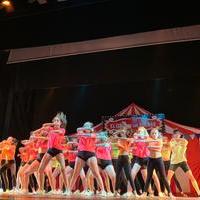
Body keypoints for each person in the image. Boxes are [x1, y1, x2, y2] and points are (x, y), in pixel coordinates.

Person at [66, 122, 106, 196]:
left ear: (91, 128)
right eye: (85, 125)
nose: (86, 127)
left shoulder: (94, 134)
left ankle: (103, 190)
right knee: (75, 173)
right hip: (81, 153)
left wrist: (88, 131)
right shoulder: (81, 132)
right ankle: (69, 190)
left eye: (88, 126)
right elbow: (78, 130)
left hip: (90, 154)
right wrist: (83, 129)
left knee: (96, 173)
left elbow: (89, 135)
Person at [37, 112, 68, 194]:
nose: (56, 122)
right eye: (55, 120)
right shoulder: (50, 129)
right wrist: (53, 123)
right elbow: (44, 125)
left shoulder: (62, 130)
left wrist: (54, 129)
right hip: (50, 150)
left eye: (58, 121)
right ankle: (40, 189)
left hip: (58, 151)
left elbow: (58, 132)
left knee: (63, 169)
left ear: (61, 123)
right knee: (40, 169)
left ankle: (67, 189)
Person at [141, 128, 173, 198]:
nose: (154, 134)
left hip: (159, 160)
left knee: (163, 177)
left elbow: (159, 148)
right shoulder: (149, 139)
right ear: (150, 134)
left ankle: (170, 193)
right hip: (151, 160)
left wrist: (151, 146)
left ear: (158, 134)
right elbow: (147, 146)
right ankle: (144, 192)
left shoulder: (159, 140)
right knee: (148, 177)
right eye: (152, 133)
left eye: (155, 133)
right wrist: (151, 146)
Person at [167, 129, 200, 197]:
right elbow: (172, 147)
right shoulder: (171, 142)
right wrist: (174, 140)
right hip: (174, 162)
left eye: (178, 134)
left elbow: (184, 141)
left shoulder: (184, 141)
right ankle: (168, 193)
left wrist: (177, 139)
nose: (176, 135)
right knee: (168, 178)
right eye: (175, 134)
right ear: (173, 135)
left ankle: (199, 192)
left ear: (180, 135)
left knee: (191, 177)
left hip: (182, 161)